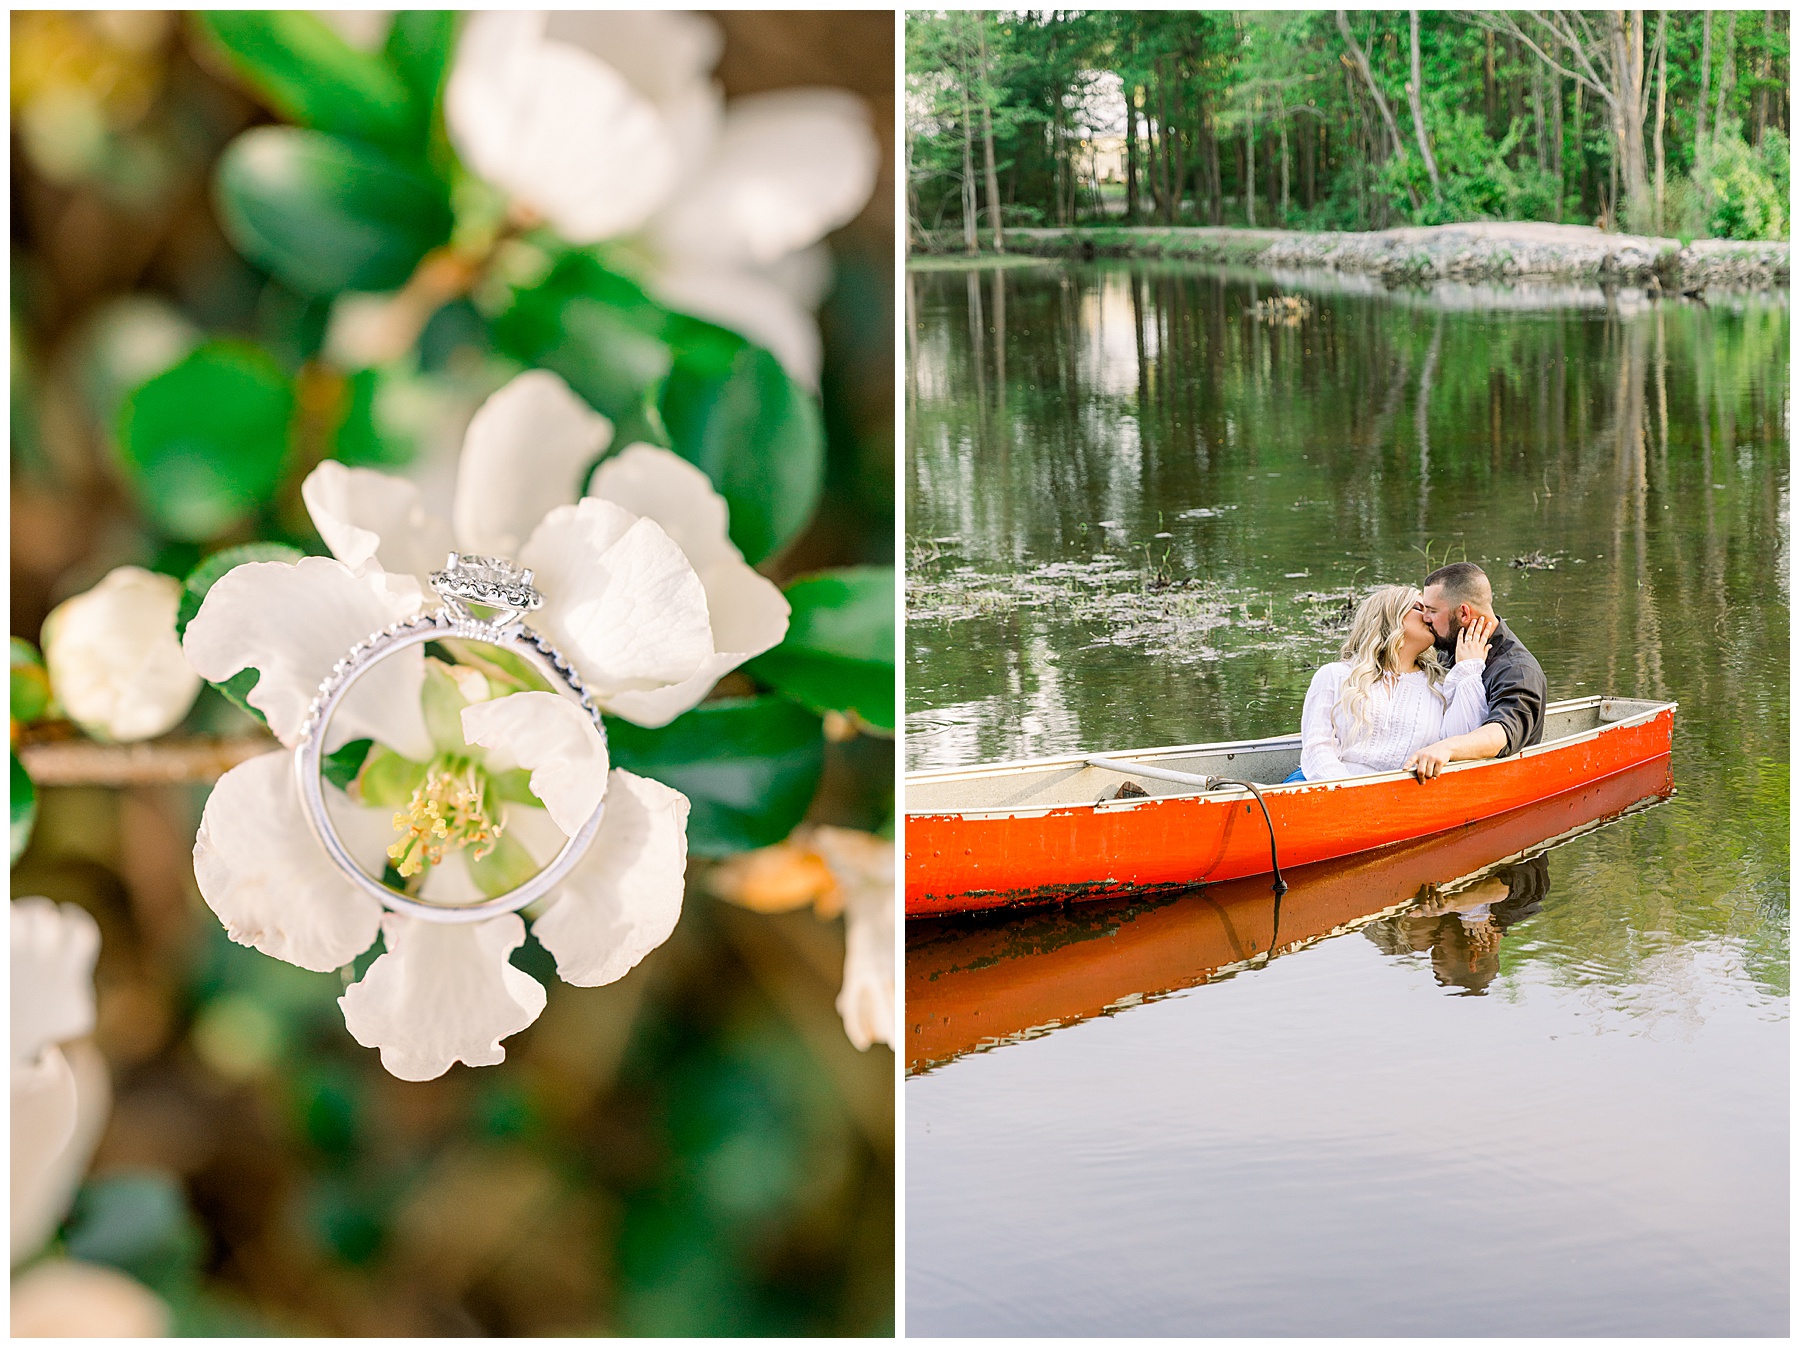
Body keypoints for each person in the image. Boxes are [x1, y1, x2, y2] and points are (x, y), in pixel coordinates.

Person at [1289, 584, 1495, 782]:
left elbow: (1464, 744)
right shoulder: (1335, 675)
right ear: (1391, 616)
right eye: (1420, 608)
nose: (1429, 617)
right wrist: (1351, 794)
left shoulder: (1440, 685)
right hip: (1332, 789)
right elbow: (1317, 749)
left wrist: (1469, 669)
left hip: (1403, 794)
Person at [1405, 562, 1547, 781]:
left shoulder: (1518, 669)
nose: (1426, 618)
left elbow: (1502, 732)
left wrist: (1447, 747)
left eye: (1432, 611)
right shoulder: (1450, 649)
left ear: (1464, 613)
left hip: (1500, 782)